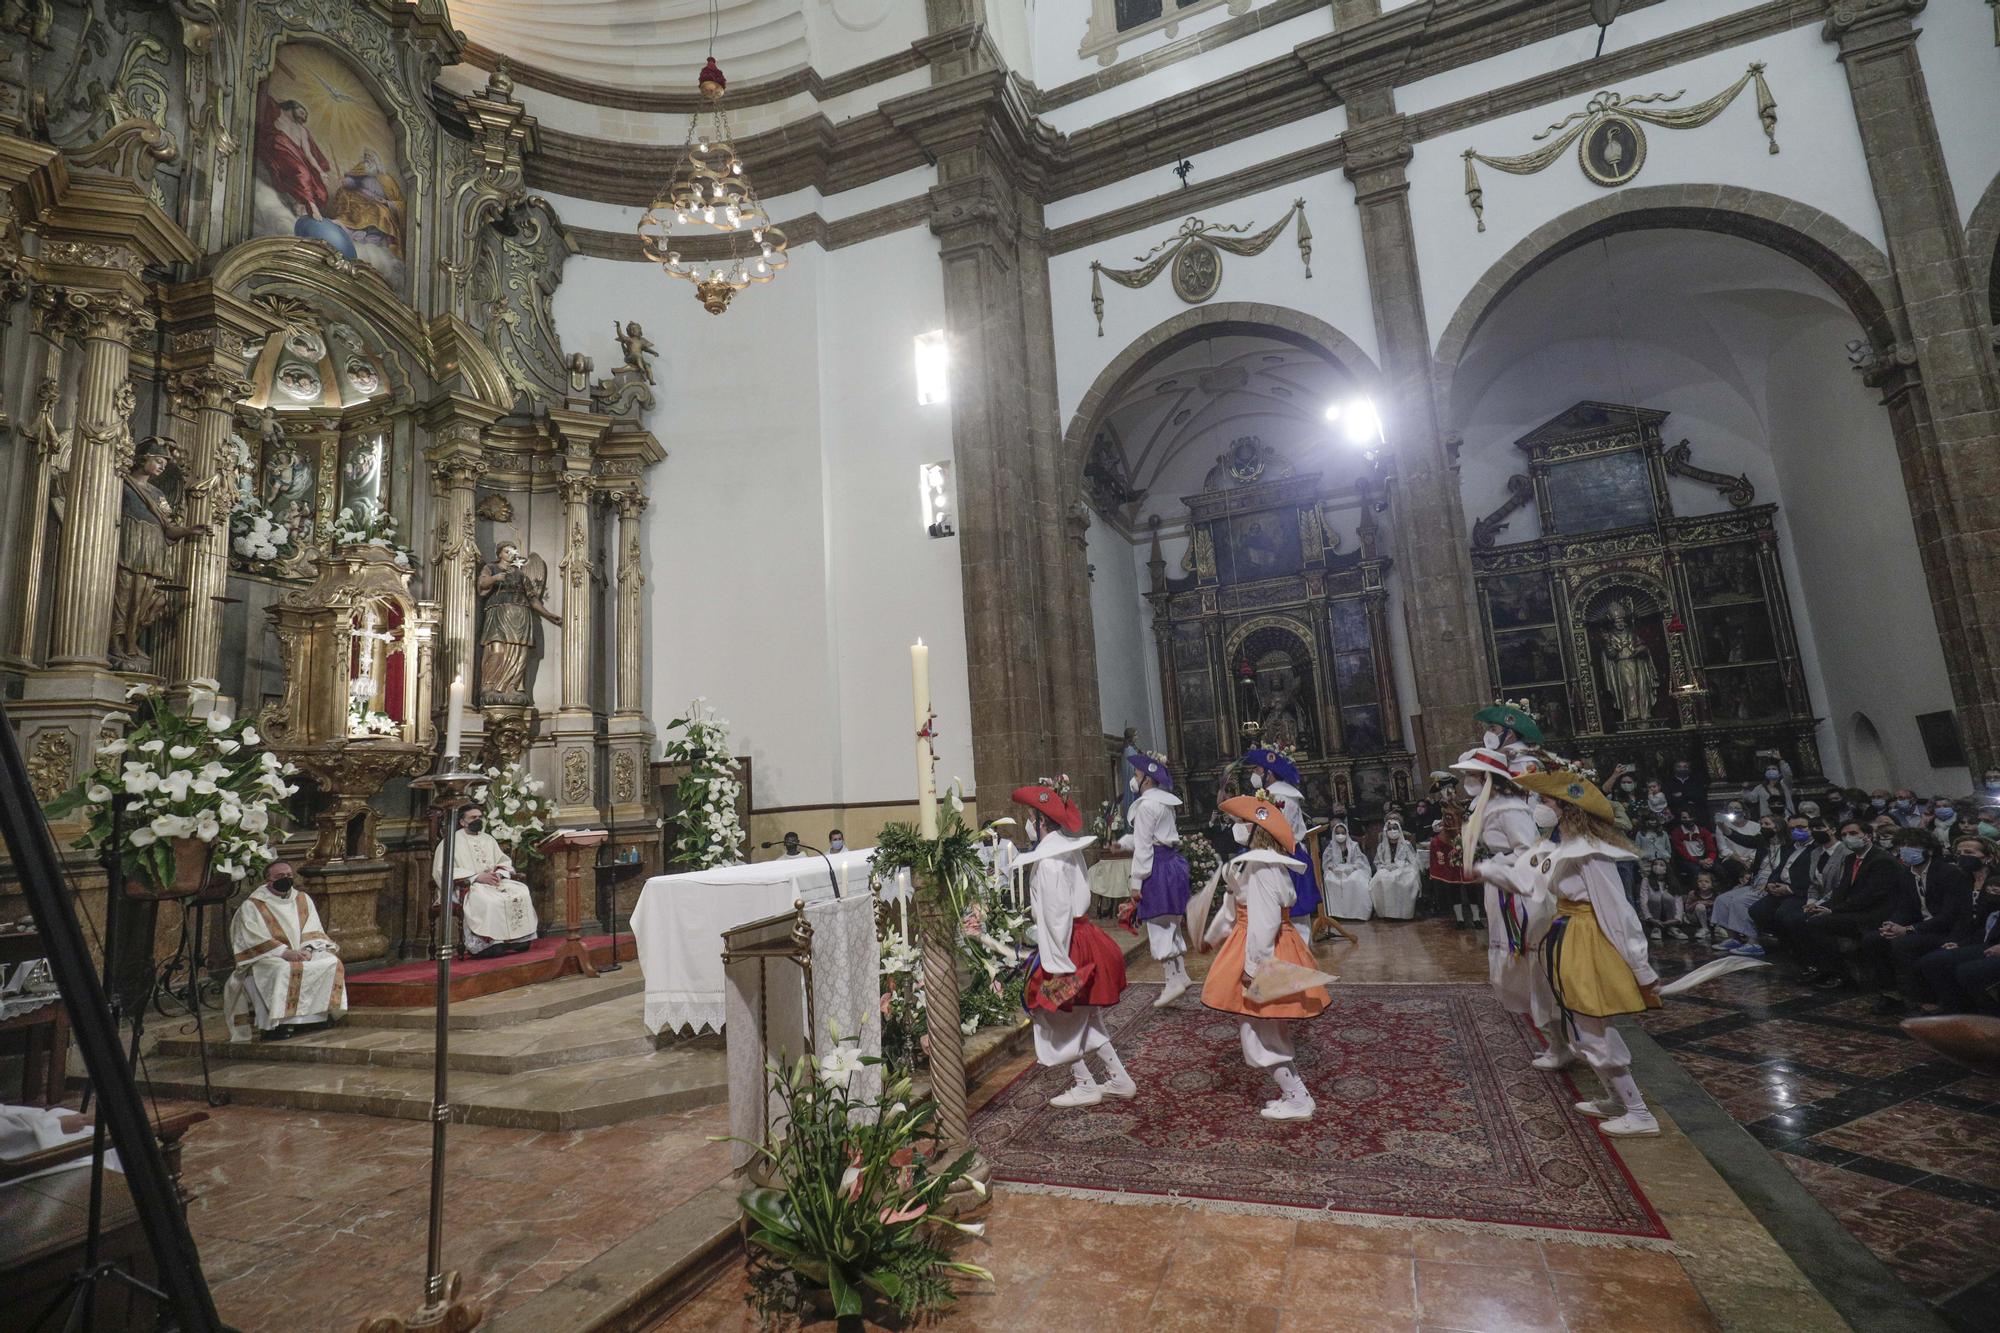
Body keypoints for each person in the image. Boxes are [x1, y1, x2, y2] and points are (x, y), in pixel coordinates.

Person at [1496, 770, 1662, 1136]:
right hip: (1568, 933)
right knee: (1576, 1021)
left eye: (1548, 802)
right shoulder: (1569, 845)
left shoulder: (1591, 853)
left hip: (1587, 938)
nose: (1541, 807)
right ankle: (1615, 1098)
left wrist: (1640, 965)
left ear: (1566, 809)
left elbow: (1617, 910)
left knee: (1591, 1024)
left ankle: (1639, 1111)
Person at [1197, 795, 1331, 1122]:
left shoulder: (1261, 869)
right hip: (1259, 945)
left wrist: (1253, 969)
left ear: (1254, 829)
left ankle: (1297, 1096)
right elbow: (1234, 908)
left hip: (1262, 950)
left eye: (1241, 824)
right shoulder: (1258, 865)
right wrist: (1211, 938)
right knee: (1263, 1025)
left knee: (1260, 1029)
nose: (1235, 828)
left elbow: (1263, 923)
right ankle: (1294, 1093)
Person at [1012, 784, 1133, 1107]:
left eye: (1029, 817)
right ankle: (1119, 1078)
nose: (1028, 824)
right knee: (1086, 1015)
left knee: (1053, 1013)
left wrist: (1055, 966)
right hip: (1085, 938)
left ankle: (1085, 1084)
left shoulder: (1049, 862)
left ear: (1039, 820)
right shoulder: (1068, 849)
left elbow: (1056, 917)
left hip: (1066, 946)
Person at [1460, 748, 1576, 1070]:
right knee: (1522, 967)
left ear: (1487, 778)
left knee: (1533, 965)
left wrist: (1493, 865)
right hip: (1501, 886)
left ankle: (1562, 1042)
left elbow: (1530, 853)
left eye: (1472, 775)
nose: (1467, 781)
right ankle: (1557, 1040)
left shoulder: (1509, 809)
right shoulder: (1491, 806)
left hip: (1518, 892)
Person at [222, 863, 347, 1041]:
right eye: (280, 876)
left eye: (289, 875)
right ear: (268, 880)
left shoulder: (302, 899)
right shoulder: (253, 905)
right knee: (282, 969)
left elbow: (314, 929)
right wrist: (285, 953)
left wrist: (308, 949)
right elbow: (251, 938)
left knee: (331, 962)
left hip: (301, 950)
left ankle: (316, 1018)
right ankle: (279, 1024)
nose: (286, 879)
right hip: (268, 956)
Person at [1865, 833, 1977, 1014]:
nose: (1906, 850)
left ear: (1929, 850)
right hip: (1921, 925)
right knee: (1874, 939)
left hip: (1946, 930)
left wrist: (1909, 929)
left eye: (1912, 845)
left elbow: (1949, 915)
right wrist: (1893, 923)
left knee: (1904, 944)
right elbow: (1906, 907)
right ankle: (1891, 994)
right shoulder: (1906, 874)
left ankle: (1925, 1000)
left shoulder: (1948, 873)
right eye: (1903, 845)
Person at [1795, 821, 1909, 990]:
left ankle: (1839, 975)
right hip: (1855, 909)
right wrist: (1822, 905)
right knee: (1805, 918)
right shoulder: (1850, 858)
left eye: (1853, 833)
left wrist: (1832, 910)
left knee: (1818, 923)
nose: (1848, 838)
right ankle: (1821, 968)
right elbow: (1842, 889)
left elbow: (1870, 896)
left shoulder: (1882, 860)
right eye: (1844, 835)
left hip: (1875, 912)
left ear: (1868, 836)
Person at [1118, 751, 1192, 1007]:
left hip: (1157, 868)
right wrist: (1122, 842)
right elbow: (1151, 838)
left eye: (1137, 775)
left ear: (1147, 780)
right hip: (1172, 864)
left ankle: (1172, 982)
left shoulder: (1147, 806)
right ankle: (1180, 974)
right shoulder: (1163, 802)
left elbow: (1144, 849)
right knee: (1171, 922)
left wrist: (1136, 883)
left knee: (1159, 925)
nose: (1134, 780)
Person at [434, 804, 538, 957]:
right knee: (488, 900)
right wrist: (476, 877)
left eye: (479, 817)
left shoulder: (488, 839)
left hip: (494, 882)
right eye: (473, 817)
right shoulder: (450, 842)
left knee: (520, 892)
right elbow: (442, 870)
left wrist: (500, 874)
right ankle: (488, 944)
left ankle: (518, 940)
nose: (478, 820)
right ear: (462, 822)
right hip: (468, 885)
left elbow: (502, 861)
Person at [1911, 841, 2000, 1014]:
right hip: (1982, 937)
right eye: (1960, 853)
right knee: (1931, 962)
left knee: (1968, 971)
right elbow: (1962, 918)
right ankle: (1955, 1010)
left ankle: (1987, 1018)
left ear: (1987, 858)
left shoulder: (1995, 882)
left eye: (1969, 852)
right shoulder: (1962, 881)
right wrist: (1958, 942)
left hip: (1989, 939)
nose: (1963, 857)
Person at [1241, 748, 1318, 945]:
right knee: (1290, 917)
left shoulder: (1279, 798)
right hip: (1285, 856)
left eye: (1258, 769)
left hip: (1285, 857)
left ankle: (1299, 958)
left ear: (1270, 772)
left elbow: (1272, 831)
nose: (1255, 774)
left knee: (1294, 916)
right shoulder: (1275, 795)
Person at [1368, 817, 1422, 919]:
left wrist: (1401, 866)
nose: (1393, 831)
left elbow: (1413, 861)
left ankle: (1403, 913)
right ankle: (1386, 913)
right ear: (1386, 831)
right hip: (1386, 869)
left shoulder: (1406, 844)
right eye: (1390, 829)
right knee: (1380, 879)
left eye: (1395, 828)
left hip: (1404, 869)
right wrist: (1385, 867)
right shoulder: (1382, 846)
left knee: (1403, 880)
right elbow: (1377, 862)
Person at [1320, 821, 1373, 919]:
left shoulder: (1354, 846)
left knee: (1355, 880)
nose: (1340, 835)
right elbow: (1327, 863)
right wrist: (1332, 868)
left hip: (1352, 869)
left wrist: (1353, 867)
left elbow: (1360, 861)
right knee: (1329, 880)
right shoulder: (1330, 847)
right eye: (1338, 833)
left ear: (1346, 833)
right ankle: (1336, 913)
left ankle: (1357, 913)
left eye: (1342, 833)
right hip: (1336, 870)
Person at [1637, 858, 1685, 941]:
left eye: (1661, 865)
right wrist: (1650, 918)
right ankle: (1656, 928)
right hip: (1654, 914)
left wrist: (1676, 919)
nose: (1657, 866)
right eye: (1655, 864)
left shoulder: (1673, 882)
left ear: (1666, 869)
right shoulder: (1646, 881)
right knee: (1655, 897)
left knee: (1667, 896)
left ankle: (1672, 927)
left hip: (1670, 915)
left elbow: (1678, 901)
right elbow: (1643, 901)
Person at [1669, 810, 1718, 887]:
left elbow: (1711, 849)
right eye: (1684, 818)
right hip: (1687, 860)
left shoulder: (1704, 831)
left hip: (1704, 858)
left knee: (1718, 869)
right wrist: (1699, 862)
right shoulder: (1676, 833)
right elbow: (1682, 853)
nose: (1688, 820)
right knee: (1696, 871)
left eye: (1690, 817)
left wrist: (1710, 859)